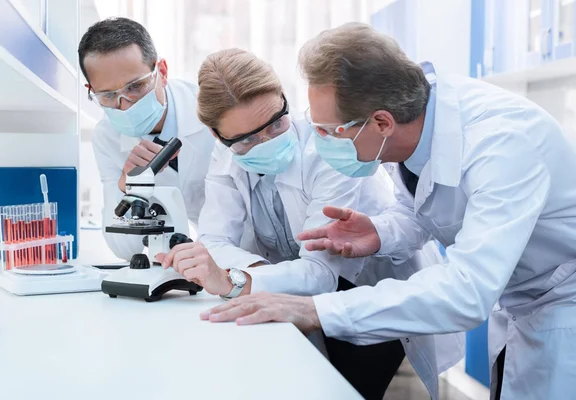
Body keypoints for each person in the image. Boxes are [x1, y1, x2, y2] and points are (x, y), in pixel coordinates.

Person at [198, 22, 576, 400]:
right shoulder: (418, 124)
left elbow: (466, 292)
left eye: (331, 131)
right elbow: (417, 211)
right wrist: (380, 233)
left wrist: (318, 310)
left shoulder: (502, 146)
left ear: (381, 122)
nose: (320, 141)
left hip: (561, 308)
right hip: (520, 306)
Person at [157, 48, 463, 399]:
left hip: (367, 292)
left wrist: (234, 278)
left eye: (276, 122)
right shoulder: (225, 156)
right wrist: (249, 274)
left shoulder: (328, 149)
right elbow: (214, 239)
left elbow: (320, 273)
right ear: (218, 136)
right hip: (291, 293)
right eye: (247, 140)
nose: (268, 140)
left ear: (284, 99)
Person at [78, 17, 215, 260]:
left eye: (135, 87)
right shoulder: (106, 136)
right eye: (108, 95)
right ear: (91, 90)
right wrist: (125, 184)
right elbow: (123, 249)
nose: (125, 106)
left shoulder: (210, 112)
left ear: (161, 72)